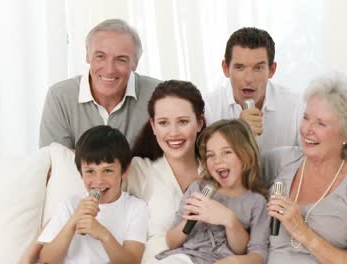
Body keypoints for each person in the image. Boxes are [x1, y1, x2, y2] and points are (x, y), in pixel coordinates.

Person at [264, 72, 347, 263]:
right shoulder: (279, 161)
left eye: (321, 123)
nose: (307, 130)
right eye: (306, 118)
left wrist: (302, 231)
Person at [155, 119, 270, 264]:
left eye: (227, 152)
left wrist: (229, 220)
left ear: (246, 155)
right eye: (211, 155)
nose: (218, 161)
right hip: (184, 258)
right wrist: (189, 220)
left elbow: (246, 252)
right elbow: (172, 243)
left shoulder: (256, 202)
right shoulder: (198, 188)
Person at [39, 18, 160, 149]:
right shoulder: (60, 96)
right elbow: (53, 161)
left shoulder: (158, 94)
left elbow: (171, 158)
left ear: (135, 63)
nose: (109, 70)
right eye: (100, 56)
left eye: (121, 59)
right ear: (87, 55)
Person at [38, 125, 148, 263]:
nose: (99, 180)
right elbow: (46, 260)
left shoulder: (136, 208)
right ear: (80, 174)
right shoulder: (70, 204)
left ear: (124, 171)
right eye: (90, 172)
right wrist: (72, 222)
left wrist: (103, 235)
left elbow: (131, 261)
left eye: (108, 171)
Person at [125, 80, 206, 263]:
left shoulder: (217, 172)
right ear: (153, 126)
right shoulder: (140, 171)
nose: (174, 132)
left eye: (183, 121)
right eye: (163, 123)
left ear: (199, 122)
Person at [204, 27, 302, 153]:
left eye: (258, 68)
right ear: (225, 68)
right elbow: (206, 164)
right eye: (239, 67)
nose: (249, 79)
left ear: (272, 70)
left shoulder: (296, 106)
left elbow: (313, 162)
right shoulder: (209, 109)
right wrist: (239, 133)